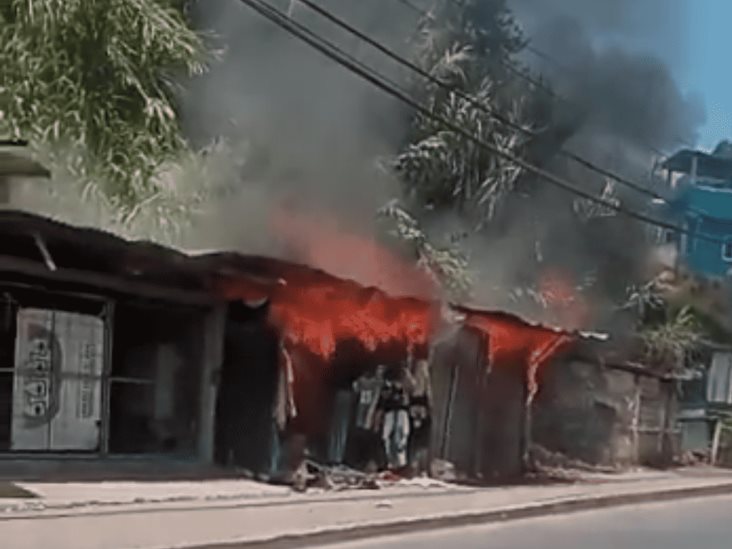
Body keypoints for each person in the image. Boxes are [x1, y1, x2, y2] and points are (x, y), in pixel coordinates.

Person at [380, 363, 415, 472]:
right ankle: (390, 462)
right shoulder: (387, 379)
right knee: (387, 436)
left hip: (401, 410)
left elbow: (412, 388)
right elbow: (384, 394)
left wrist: (406, 376)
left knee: (401, 435)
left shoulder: (405, 377)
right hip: (390, 410)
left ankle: (400, 463)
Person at [350, 365, 385, 470]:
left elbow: (377, 399)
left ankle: (371, 462)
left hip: (371, 413)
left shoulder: (378, 383)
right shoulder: (364, 381)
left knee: (371, 438)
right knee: (362, 436)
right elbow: (355, 389)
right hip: (362, 411)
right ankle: (362, 461)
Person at [408, 359, 432, 475]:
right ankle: (418, 467)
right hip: (420, 410)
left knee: (419, 441)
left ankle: (418, 467)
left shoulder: (416, 386)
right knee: (419, 441)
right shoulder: (424, 386)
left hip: (418, 411)